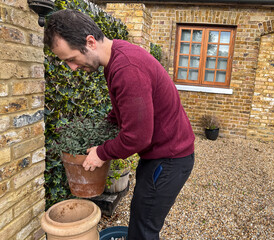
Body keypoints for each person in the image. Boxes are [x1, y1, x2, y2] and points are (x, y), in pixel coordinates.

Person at [44, 9, 195, 240]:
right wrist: (106, 127)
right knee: (141, 221)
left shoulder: (126, 69)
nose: (72, 68)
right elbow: (124, 109)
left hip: (169, 159)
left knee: (143, 229)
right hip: (163, 155)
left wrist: (101, 153)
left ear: (90, 42)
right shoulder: (118, 56)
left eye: (71, 59)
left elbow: (138, 137)